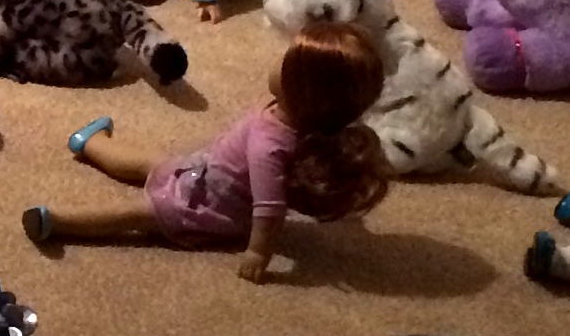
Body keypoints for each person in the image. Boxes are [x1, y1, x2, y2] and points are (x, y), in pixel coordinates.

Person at [22, 25, 391, 281]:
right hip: (203, 171)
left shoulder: (270, 147)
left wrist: (258, 252)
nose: (275, 62)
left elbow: (270, 207)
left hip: (210, 208)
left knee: (140, 214)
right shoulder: (286, 111)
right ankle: (90, 142)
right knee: (152, 161)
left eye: (284, 62)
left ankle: (58, 222)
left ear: (301, 89)